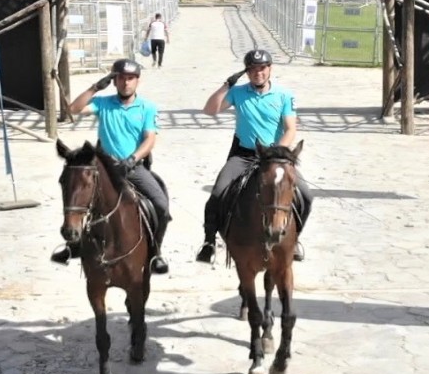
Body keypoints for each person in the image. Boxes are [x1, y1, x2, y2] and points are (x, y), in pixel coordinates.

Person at [51, 58, 171, 274]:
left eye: (131, 79)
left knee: (161, 206)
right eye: (122, 78)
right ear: (115, 81)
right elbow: (73, 109)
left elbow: (149, 139)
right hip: (104, 168)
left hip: (133, 167)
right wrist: (96, 87)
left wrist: (132, 160)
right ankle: (73, 246)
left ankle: (155, 253)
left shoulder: (147, 108)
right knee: (80, 197)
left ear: (137, 82)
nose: (126, 83)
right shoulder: (103, 103)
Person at [194, 48, 312, 264]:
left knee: (305, 194)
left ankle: (295, 240)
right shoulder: (238, 93)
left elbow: (290, 129)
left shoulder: (284, 95)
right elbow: (209, 110)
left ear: (270, 69)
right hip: (244, 155)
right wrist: (225, 86)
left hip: (275, 156)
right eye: (253, 69)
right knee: (218, 192)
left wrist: (275, 153)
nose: (259, 73)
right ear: (247, 72)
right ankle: (209, 241)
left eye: (263, 68)